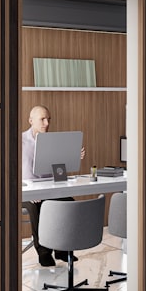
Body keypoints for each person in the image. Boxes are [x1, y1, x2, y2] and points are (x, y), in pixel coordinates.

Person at [22, 105, 85, 267]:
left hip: (49, 188)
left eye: (48, 119)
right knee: (35, 206)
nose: (46, 123)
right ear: (31, 121)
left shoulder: (53, 141)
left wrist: (73, 157)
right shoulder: (19, 141)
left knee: (68, 201)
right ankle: (43, 252)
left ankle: (62, 249)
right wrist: (30, 192)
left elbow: (59, 171)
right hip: (25, 191)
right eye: (42, 119)